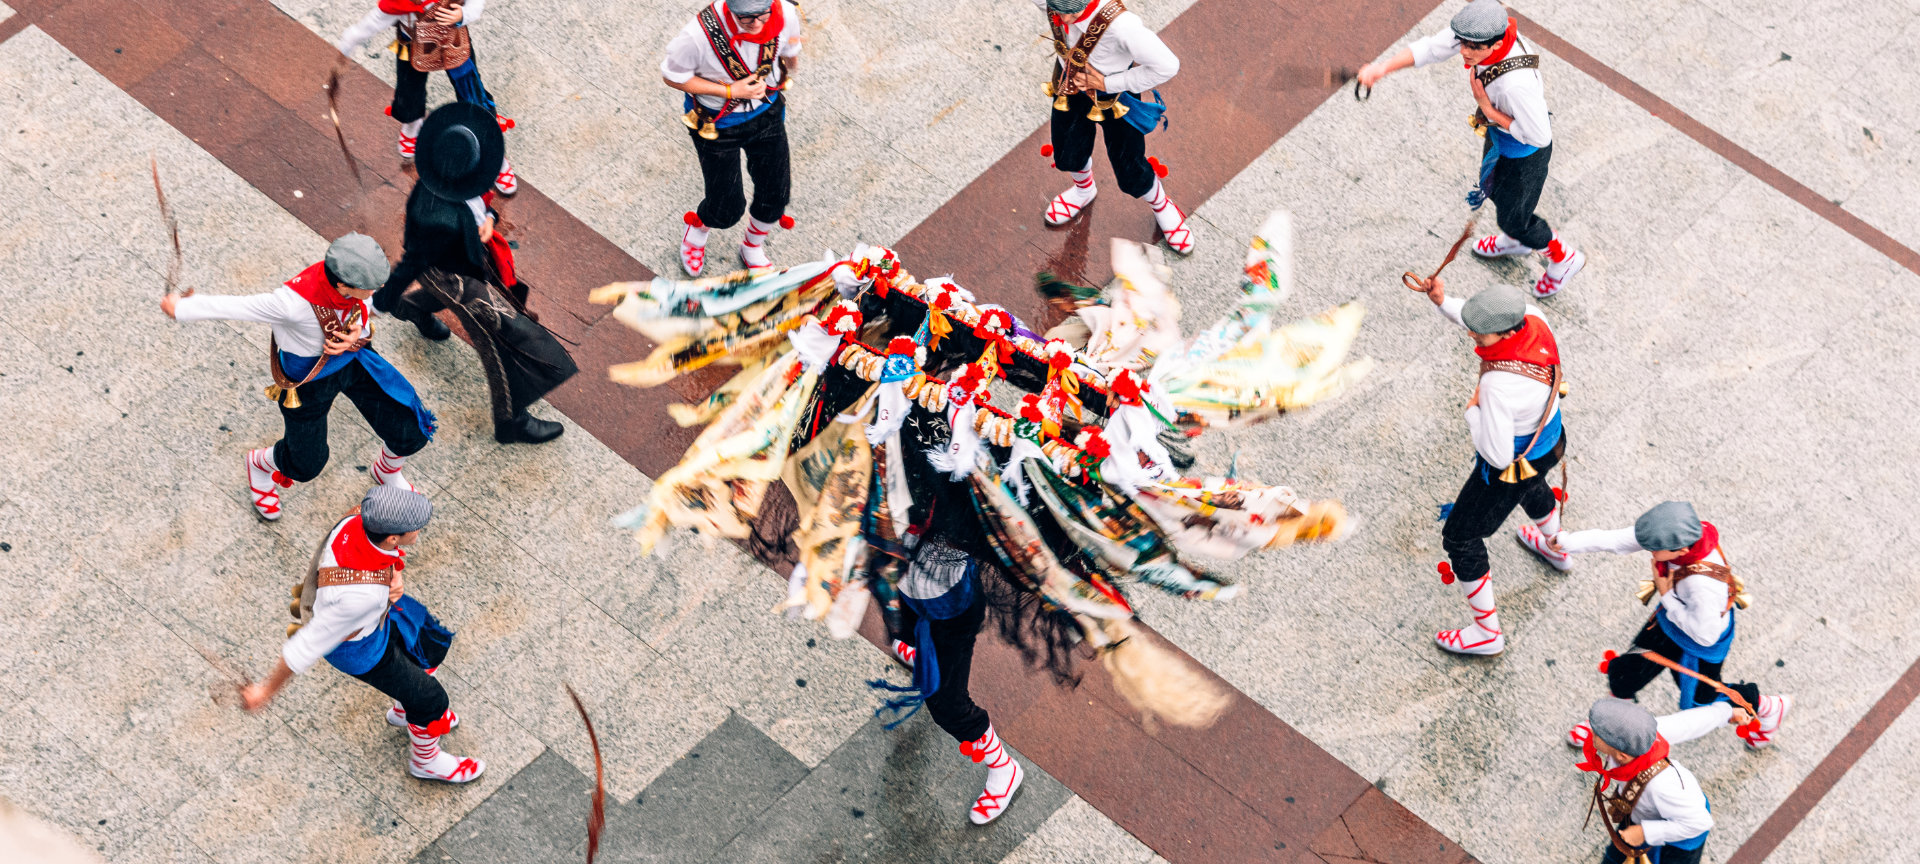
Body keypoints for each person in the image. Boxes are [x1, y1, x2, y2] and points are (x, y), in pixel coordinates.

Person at [162, 234, 435, 521]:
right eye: (369, 287)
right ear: (342, 284)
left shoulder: (346, 283)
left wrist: (359, 331)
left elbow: (364, 310)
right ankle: (260, 464)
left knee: (409, 427)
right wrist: (181, 308)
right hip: (308, 383)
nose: (377, 289)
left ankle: (387, 470)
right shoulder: (291, 303)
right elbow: (238, 306)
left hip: (355, 360)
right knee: (307, 463)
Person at [239, 485, 484, 784]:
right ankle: (426, 761)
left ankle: (408, 709)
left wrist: (394, 574)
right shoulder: (358, 596)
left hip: (376, 618)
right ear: (393, 536)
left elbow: (381, 559)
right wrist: (264, 692)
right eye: (416, 527)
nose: (420, 530)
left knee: (424, 644)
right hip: (361, 651)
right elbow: (304, 646)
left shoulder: (358, 519)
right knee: (432, 699)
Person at [373, 102, 572, 444]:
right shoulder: (431, 214)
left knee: (489, 321)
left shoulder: (456, 179)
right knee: (495, 340)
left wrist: (490, 220)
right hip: (450, 274)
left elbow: (481, 205)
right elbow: (412, 262)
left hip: (466, 257)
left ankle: (415, 308)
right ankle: (510, 421)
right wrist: (382, 301)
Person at [1357, 0, 1584, 297]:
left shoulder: (1514, 85)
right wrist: (1381, 68)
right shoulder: (1482, 37)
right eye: (1463, 42)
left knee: (1516, 218)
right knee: (1500, 198)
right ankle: (1515, 240)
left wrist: (1487, 108)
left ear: (1497, 44)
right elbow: (1431, 49)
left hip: (1524, 156)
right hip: (1501, 139)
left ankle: (1563, 258)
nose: (1464, 51)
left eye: (1473, 48)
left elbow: (1539, 136)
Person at [1550, 501, 1792, 749]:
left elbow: (1705, 635)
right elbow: (1619, 540)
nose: (1649, 552)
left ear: (1681, 549)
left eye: (1654, 549)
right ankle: (1608, 724)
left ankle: (1768, 707)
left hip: (1698, 644)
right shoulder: (1675, 536)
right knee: (1625, 675)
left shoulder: (1703, 586)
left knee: (1702, 703)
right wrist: (1567, 542)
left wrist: (1666, 593)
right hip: (1670, 624)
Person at [1414, 278, 1564, 656]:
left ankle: (1487, 632)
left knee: (1460, 537)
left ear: (1508, 332)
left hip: (1511, 461)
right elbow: (1480, 321)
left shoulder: (1498, 384)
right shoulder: (1534, 316)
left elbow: (1497, 456)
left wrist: (1472, 412)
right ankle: (1557, 547)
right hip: (1549, 439)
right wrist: (1443, 301)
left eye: (1481, 335)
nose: (1472, 337)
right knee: (1534, 483)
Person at [1033, 0, 1192, 255]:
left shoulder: (1122, 26)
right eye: (1058, 12)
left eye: (1072, 13)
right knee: (1068, 150)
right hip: (1070, 85)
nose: (1064, 21)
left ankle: (1162, 206)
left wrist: (1109, 83)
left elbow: (1167, 65)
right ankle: (1084, 190)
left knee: (1129, 165)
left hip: (1115, 98)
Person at [661, 0, 804, 276]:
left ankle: (752, 246)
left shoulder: (785, 12)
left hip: (767, 110)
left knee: (776, 190)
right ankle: (697, 229)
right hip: (716, 123)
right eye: (747, 18)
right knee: (726, 205)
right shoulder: (696, 36)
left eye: (764, 14)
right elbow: (672, 76)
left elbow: (790, 51)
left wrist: (790, 63)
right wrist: (731, 91)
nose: (758, 24)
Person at [336, 0, 519, 195]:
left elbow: (476, 3)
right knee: (408, 91)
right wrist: (352, 39)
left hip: (454, 41)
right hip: (412, 42)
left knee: (474, 98)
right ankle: (412, 124)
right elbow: (377, 19)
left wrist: (464, 14)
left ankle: (495, 156)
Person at [1577, 698, 1721, 863]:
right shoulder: (1641, 736)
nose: (1592, 733)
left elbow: (1699, 822)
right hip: (1641, 812)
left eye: (1597, 734)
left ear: (1621, 755)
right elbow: (1685, 723)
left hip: (1679, 838)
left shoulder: (1663, 786)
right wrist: (1727, 713)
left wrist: (1644, 832)